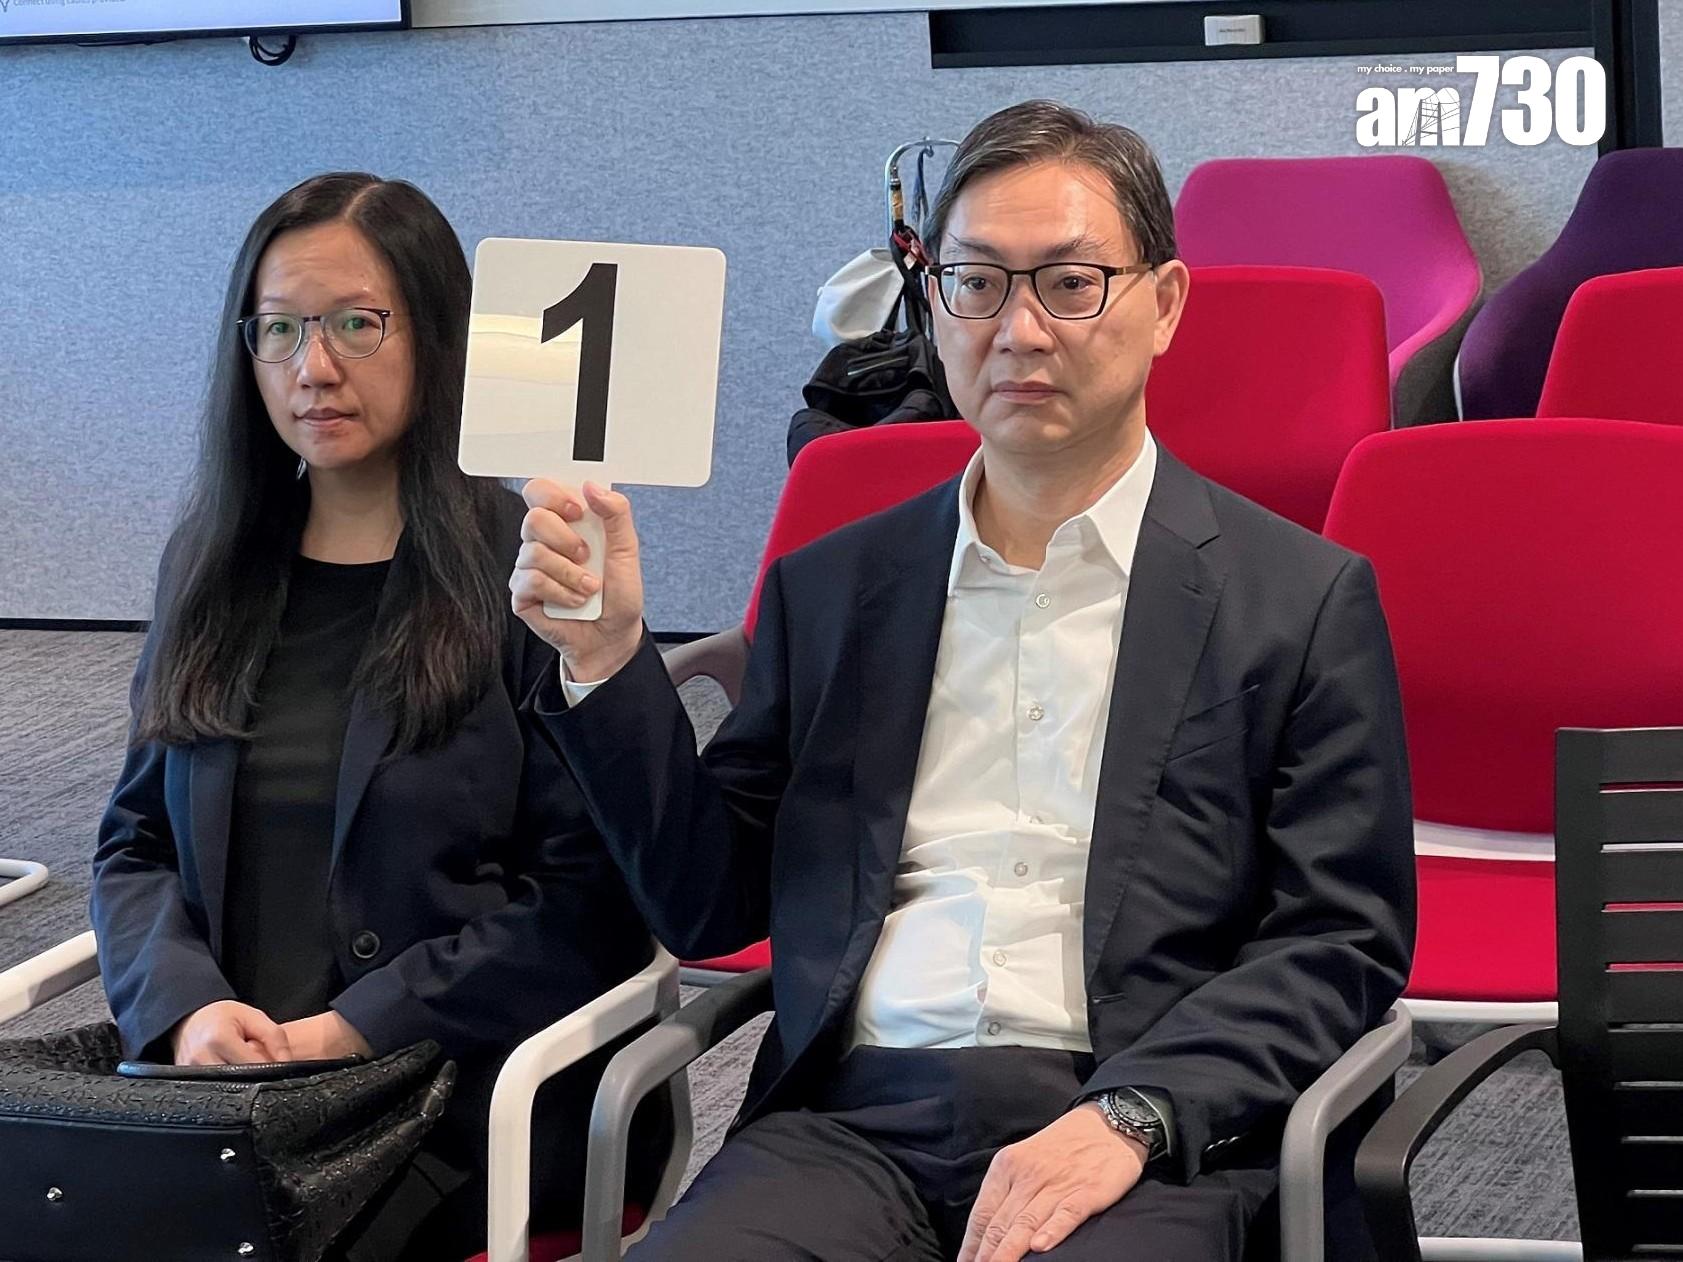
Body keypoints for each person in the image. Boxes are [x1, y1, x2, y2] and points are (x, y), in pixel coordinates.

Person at [513, 100, 1415, 1261]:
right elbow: (710, 901)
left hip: (1139, 1111)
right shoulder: (834, 587)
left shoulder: (1296, 595)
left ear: (1165, 304)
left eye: (1071, 284)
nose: (1019, 330)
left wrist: (1134, 1113)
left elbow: (1339, 935)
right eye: (977, 283)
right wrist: (606, 658)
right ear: (935, 307)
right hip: (855, 1119)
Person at [90, 172, 660, 1261]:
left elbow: (588, 902)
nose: (313, 367)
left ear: (437, 334)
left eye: (357, 323)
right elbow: (135, 842)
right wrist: (187, 1007)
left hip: (453, 1095)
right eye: (280, 329)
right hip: (224, 1098)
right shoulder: (211, 567)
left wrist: (353, 1026)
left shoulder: (532, 574)